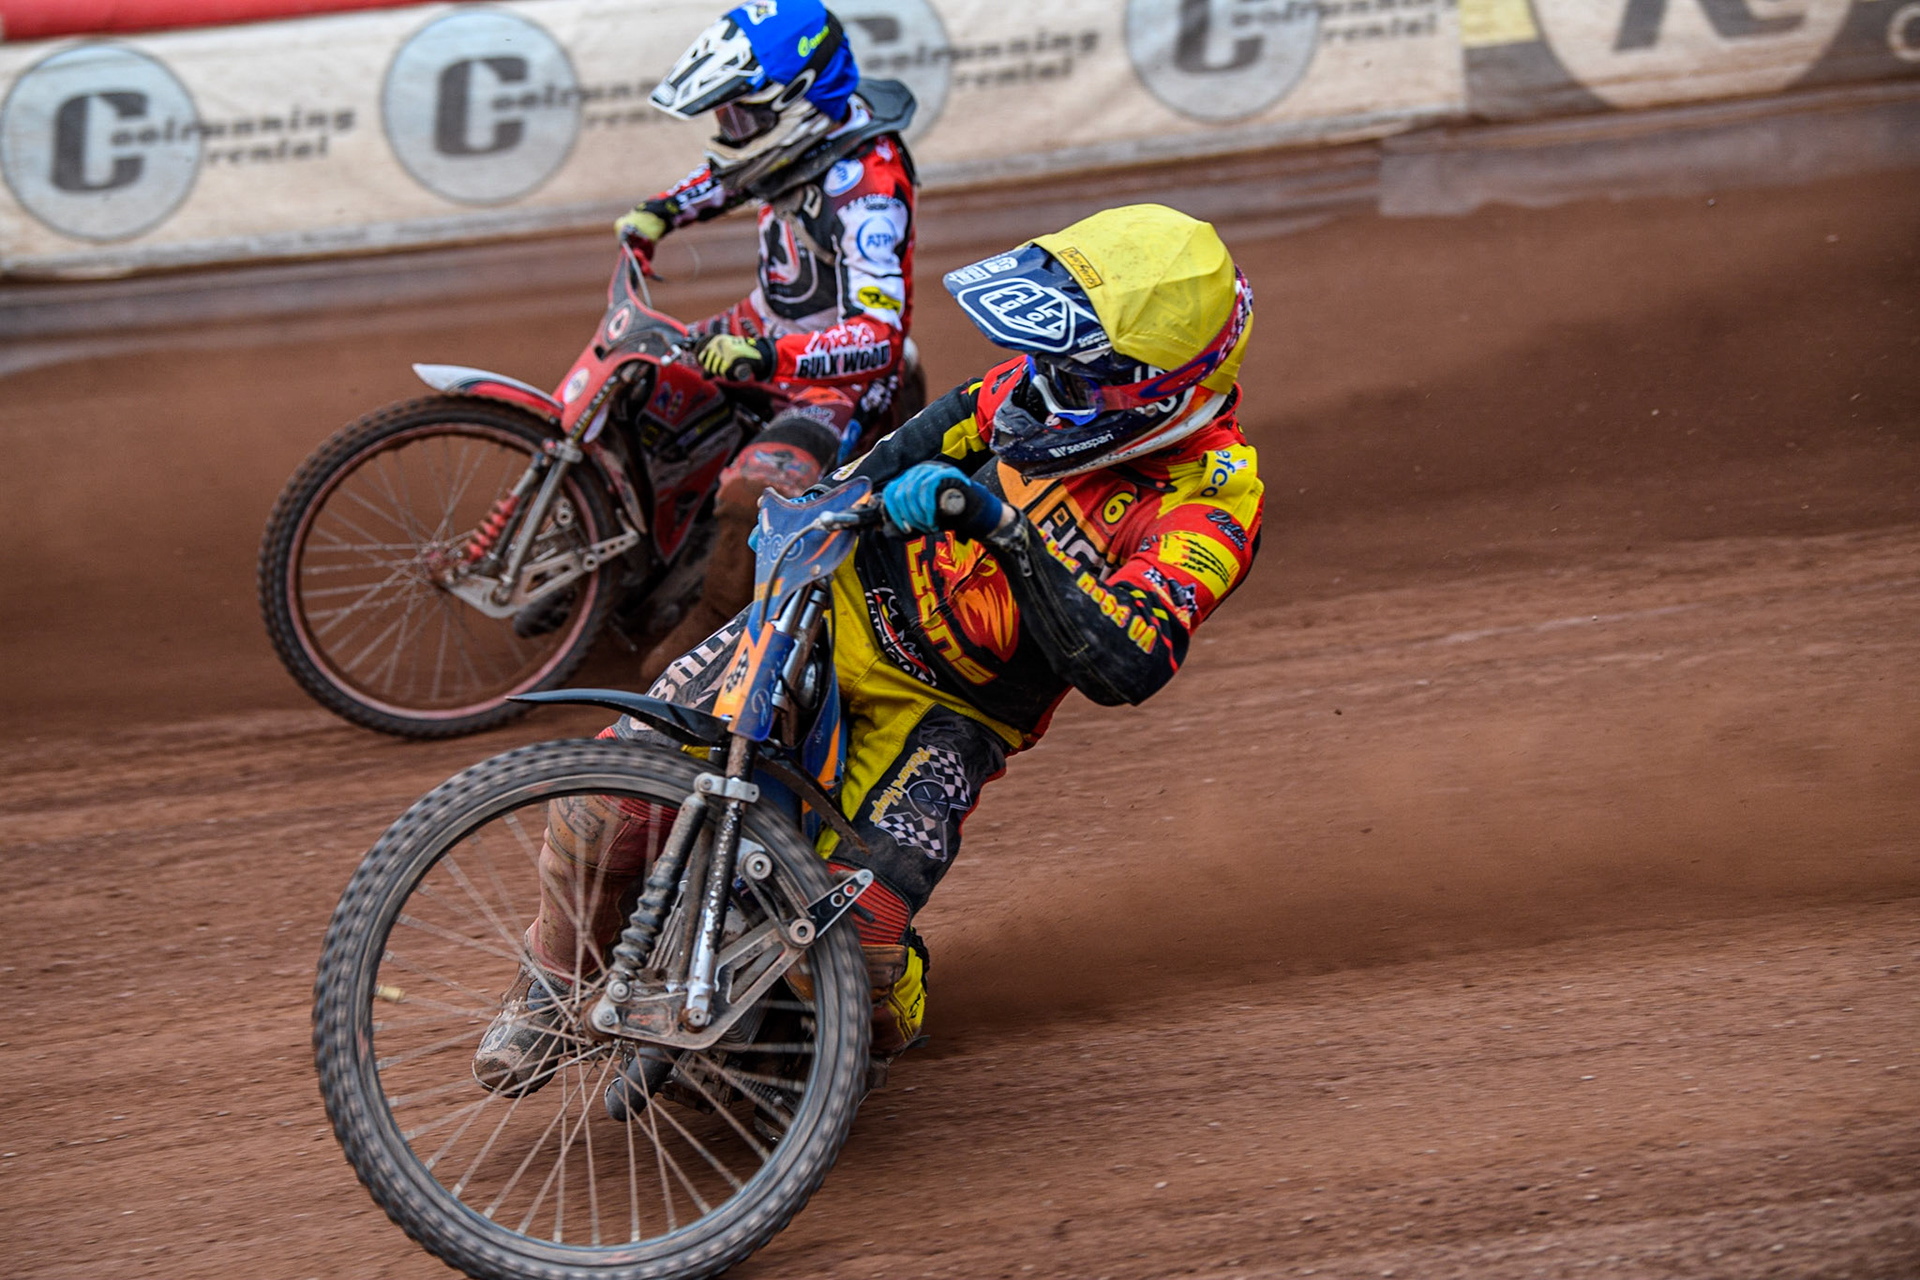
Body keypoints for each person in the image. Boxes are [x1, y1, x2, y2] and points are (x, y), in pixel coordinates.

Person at [475, 204, 1263, 1106]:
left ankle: (864, 1031)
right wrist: (828, 503)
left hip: (954, 713)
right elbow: (907, 448)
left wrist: (1002, 528)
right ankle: (551, 981)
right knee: (602, 804)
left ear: (1155, 391)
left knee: (861, 941)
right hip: (835, 608)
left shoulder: (1213, 498)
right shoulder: (1032, 388)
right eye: (1051, 358)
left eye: (1078, 374)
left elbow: (1129, 662)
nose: (1043, 387)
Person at [619, 0, 921, 683]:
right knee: (636, 381)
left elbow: (878, 335)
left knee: (747, 498)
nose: (731, 131)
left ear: (799, 103)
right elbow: (732, 175)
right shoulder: (797, 138)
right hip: (767, 324)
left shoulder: (869, 186)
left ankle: (713, 635)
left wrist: (771, 358)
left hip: (839, 375)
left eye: (741, 116)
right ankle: (645, 559)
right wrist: (664, 211)